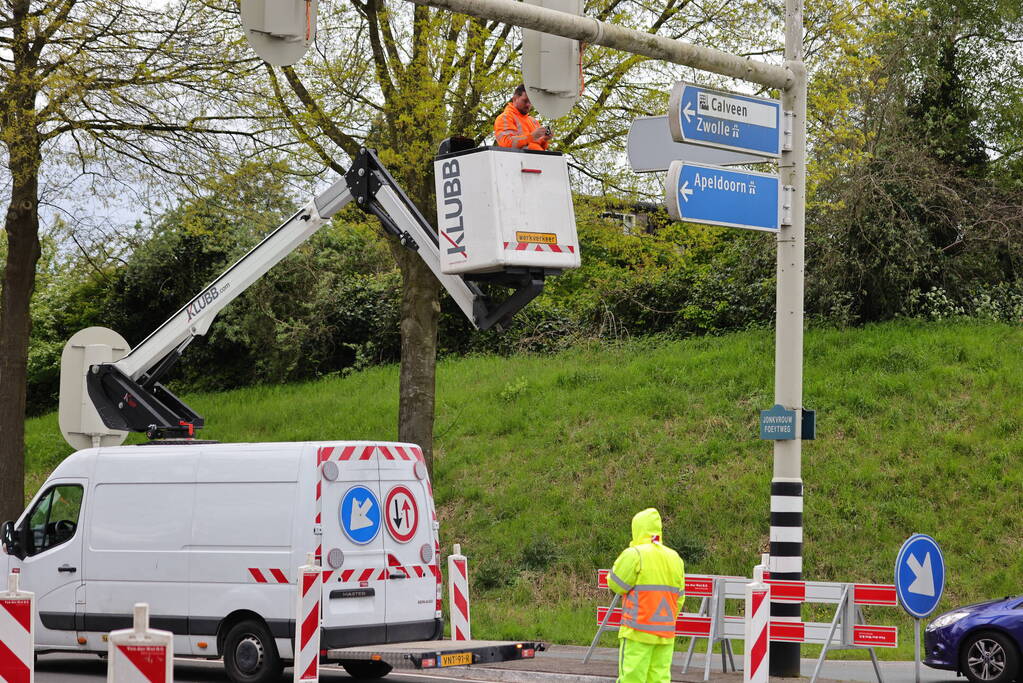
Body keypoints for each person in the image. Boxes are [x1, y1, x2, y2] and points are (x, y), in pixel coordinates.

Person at [608, 508, 686, 683]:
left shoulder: (635, 554)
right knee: (659, 679)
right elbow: (680, 597)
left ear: (637, 529)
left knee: (632, 678)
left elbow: (616, 583)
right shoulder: (675, 558)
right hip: (665, 633)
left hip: (637, 631)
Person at [494, 84, 552, 150]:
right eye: (525, 100)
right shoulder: (504, 117)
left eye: (531, 101)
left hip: (539, 158)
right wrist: (531, 137)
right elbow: (507, 143)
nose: (528, 104)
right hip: (519, 159)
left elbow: (540, 147)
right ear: (515, 99)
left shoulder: (534, 121)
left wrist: (545, 139)